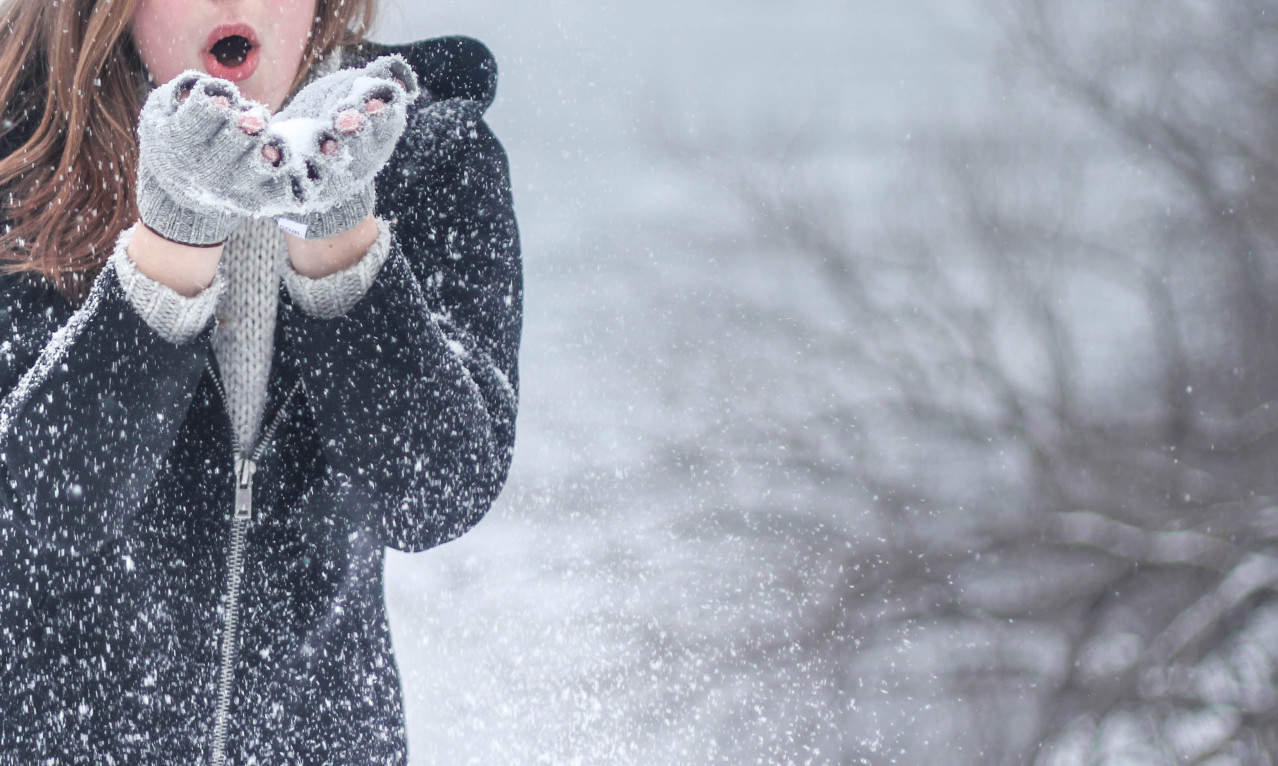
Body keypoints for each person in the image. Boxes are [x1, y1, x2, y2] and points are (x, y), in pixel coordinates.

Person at [0, 0, 522, 762]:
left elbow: (434, 495)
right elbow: (37, 511)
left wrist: (339, 233)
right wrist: (172, 241)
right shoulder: (18, 162)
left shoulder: (429, 156)